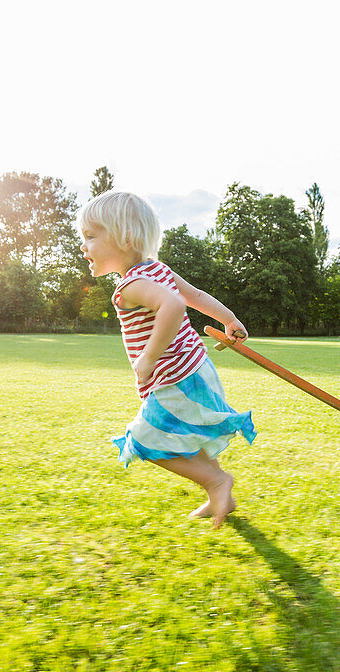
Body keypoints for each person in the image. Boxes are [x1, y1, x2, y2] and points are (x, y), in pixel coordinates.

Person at [78, 191, 256, 528]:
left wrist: (147, 359)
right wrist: (229, 319)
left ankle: (216, 483)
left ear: (124, 238)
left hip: (175, 377)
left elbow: (174, 306)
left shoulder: (130, 286)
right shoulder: (158, 270)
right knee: (186, 434)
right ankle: (222, 496)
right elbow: (195, 297)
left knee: (146, 439)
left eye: (90, 236)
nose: (83, 246)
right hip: (196, 369)